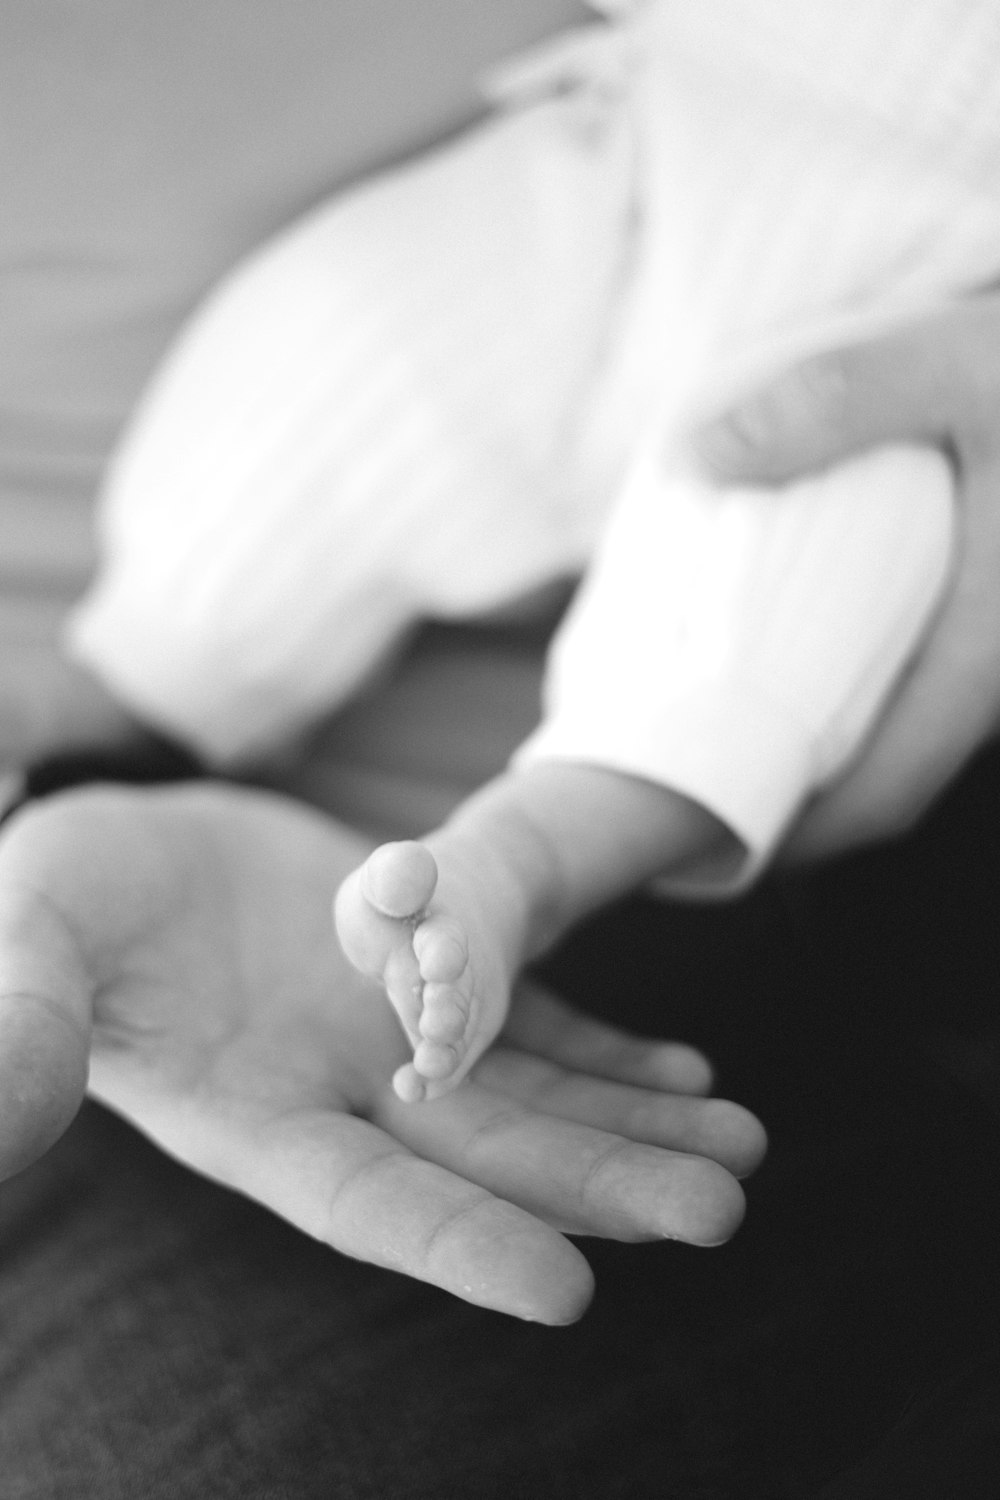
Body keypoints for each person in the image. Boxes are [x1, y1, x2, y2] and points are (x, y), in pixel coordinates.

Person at [63, 0, 998, 1102]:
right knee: (344, 341)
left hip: (930, 281)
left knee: (782, 586)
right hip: (646, 144)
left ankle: (523, 862)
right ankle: (122, 699)